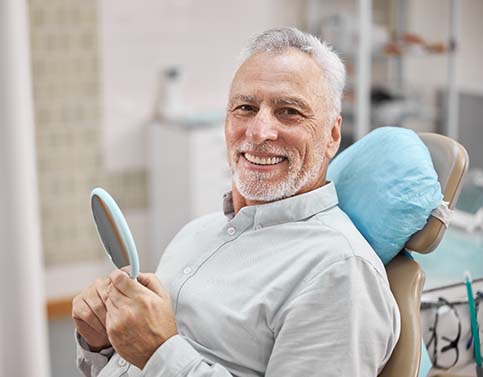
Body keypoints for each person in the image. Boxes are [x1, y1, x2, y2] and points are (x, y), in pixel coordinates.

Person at [73, 27, 400, 377]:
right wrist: (102, 344)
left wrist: (160, 353)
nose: (258, 132)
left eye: (289, 112)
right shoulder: (196, 233)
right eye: (245, 107)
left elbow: (156, 357)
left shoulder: (339, 271)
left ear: (332, 135)